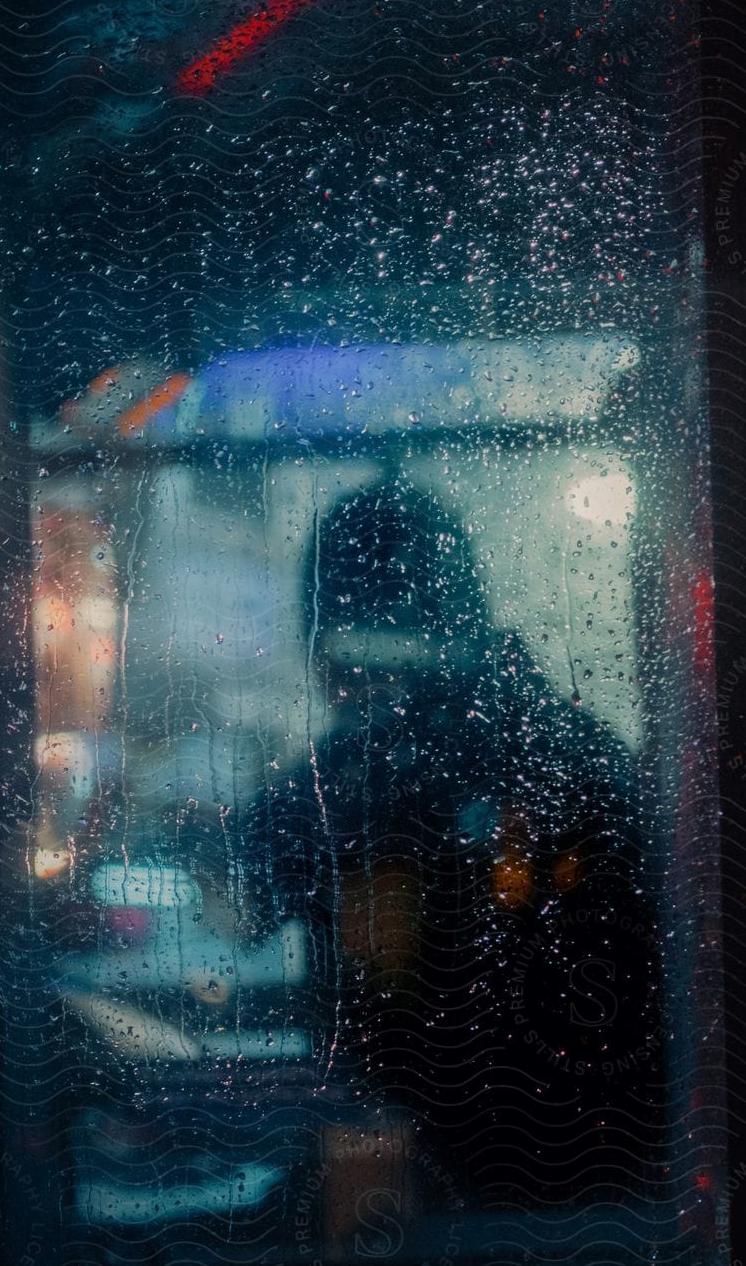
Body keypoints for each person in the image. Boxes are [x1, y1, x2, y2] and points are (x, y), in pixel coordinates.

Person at [246, 475, 666, 1207]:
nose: (326, 678)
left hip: (493, 1183)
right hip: (606, 1191)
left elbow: (275, 890)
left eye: (330, 642)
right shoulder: (562, 744)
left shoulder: (372, 776)